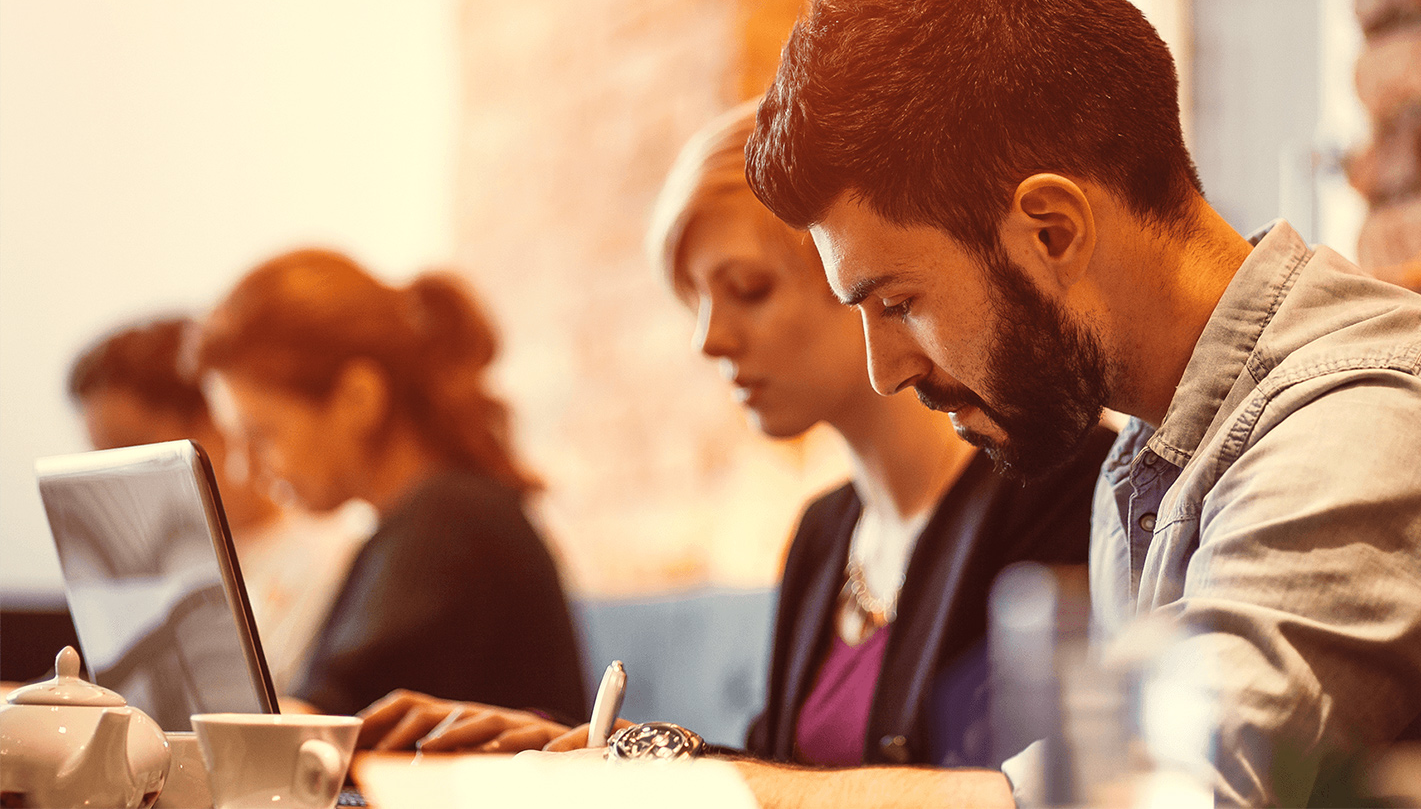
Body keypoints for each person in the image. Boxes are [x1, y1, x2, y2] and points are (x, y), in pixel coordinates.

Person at [721, 0, 1421, 809]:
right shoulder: (1141, 460)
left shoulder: (1370, 425)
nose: (883, 370)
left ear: (1052, 231)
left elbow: (1171, 796)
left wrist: (710, 794)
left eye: (898, 302)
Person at [356, 100, 1117, 766]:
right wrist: (593, 753)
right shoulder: (824, 534)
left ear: (851, 272)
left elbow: (1008, 789)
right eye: (694, 300)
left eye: (747, 290)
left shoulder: (1056, 483)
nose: (708, 339)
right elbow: (780, 777)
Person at [192, 249, 589, 721]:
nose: (243, 470)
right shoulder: (423, 520)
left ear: (358, 397)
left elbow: (322, 725)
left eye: (262, 435)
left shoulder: (448, 524)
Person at [67, 316, 365, 694]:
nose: (115, 484)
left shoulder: (340, 550)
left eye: (131, 447)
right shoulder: (156, 570)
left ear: (214, 418)